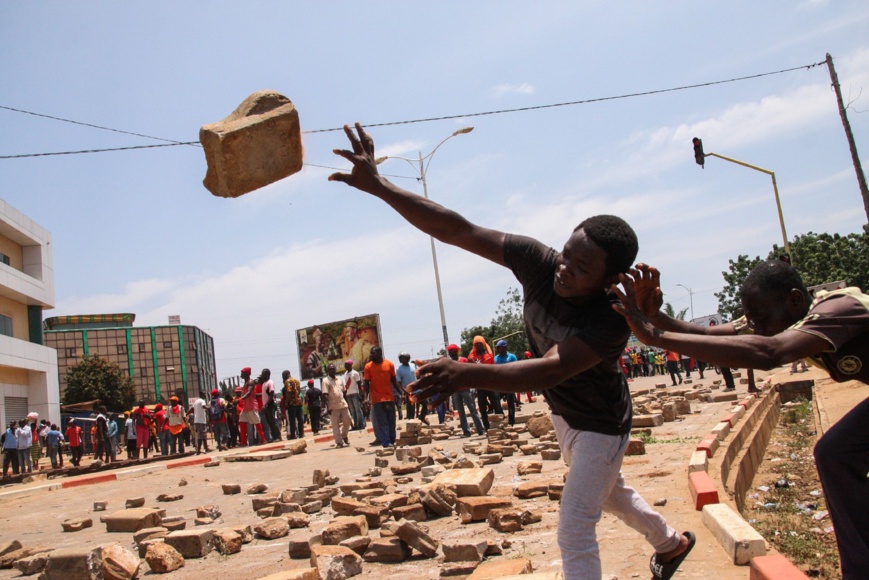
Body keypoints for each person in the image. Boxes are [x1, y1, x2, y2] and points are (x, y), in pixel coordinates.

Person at [330, 123, 692, 579]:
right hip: (566, 417)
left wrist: (464, 372)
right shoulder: (537, 262)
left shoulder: (608, 320)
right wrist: (381, 187)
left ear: (606, 280)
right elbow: (456, 230)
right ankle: (671, 544)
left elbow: (547, 371)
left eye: (580, 269)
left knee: (576, 525)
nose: (564, 270)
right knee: (611, 492)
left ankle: (667, 544)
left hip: (602, 425)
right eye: (565, 254)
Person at [613, 259, 869, 578]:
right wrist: (655, 316)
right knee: (835, 454)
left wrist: (654, 335)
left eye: (761, 321)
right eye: (753, 322)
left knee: (836, 453)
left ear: (795, 300)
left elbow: (769, 353)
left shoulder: (840, 310)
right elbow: (709, 335)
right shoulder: (780, 317)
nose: (757, 330)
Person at [363, 346, 399, 448]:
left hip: (389, 398)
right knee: (382, 422)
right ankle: (386, 443)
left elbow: (394, 381)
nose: (371, 355)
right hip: (377, 399)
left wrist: (401, 392)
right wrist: (366, 397)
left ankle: (392, 440)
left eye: (373, 353)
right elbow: (366, 383)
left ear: (379, 354)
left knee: (391, 421)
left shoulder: (389, 364)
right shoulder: (368, 367)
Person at [446, 344, 485, 437]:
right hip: (455, 390)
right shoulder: (449, 363)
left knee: (472, 410)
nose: (452, 354)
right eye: (450, 352)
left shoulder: (463, 360)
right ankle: (466, 432)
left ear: (456, 351)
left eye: (453, 351)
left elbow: (471, 369)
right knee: (461, 412)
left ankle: (480, 430)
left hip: (466, 389)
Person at [468, 336, 500, 431]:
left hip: (491, 384)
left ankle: (499, 424)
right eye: (476, 344)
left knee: (496, 404)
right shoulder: (472, 358)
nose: (478, 345)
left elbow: (494, 368)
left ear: (483, 344)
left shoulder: (489, 355)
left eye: (480, 343)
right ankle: (487, 427)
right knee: (482, 407)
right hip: (480, 385)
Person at [322, 363, 352, 448]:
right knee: (335, 425)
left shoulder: (339, 379)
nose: (332, 370)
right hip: (333, 406)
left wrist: (348, 403)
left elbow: (344, 392)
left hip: (343, 403)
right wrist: (327, 407)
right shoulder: (325, 381)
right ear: (328, 371)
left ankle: (344, 435)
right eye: (330, 369)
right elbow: (325, 395)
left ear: (335, 370)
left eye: (333, 369)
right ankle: (339, 442)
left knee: (348, 420)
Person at [238, 367, 267, 447]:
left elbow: (249, 393)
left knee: (257, 423)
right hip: (246, 407)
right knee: (241, 421)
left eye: (242, 373)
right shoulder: (246, 383)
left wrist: (240, 399)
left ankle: (263, 439)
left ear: (247, 374)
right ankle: (243, 442)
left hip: (251, 406)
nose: (241, 374)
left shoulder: (250, 382)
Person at [493, 339, 519, 425]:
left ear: (504, 348)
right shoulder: (495, 358)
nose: (497, 349)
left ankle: (511, 421)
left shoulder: (511, 357)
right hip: (498, 385)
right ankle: (502, 417)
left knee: (510, 403)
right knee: (496, 401)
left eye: (499, 347)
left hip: (509, 384)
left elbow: (517, 369)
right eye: (497, 347)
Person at [258, 369, 282, 442]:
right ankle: (274, 437)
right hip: (266, 406)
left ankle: (278, 436)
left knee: (273, 421)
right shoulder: (264, 383)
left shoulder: (270, 382)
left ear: (267, 374)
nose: (262, 375)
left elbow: (271, 394)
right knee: (269, 422)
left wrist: (266, 404)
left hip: (270, 405)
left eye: (263, 374)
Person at [342, 360, 365, 430]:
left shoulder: (355, 373)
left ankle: (361, 424)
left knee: (357, 409)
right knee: (352, 410)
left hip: (355, 392)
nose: (345, 366)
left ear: (350, 365)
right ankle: (355, 425)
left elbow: (358, 383)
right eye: (345, 365)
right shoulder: (345, 374)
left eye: (346, 365)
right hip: (348, 393)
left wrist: (361, 393)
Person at [282, 370, 304, 439]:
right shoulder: (297, 381)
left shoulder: (287, 382)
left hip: (292, 403)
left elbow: (289, 392)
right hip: (299, 402)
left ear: (285, 375)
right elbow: (299, 391)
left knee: (292, 420)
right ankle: (301, 434)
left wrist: (286, 402)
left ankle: (293, 435)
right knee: (300, 419)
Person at [395, 352, 416, 422]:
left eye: (402, 358)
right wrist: (403, 391)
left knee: (425, 404)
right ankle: (411, 422)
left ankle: (421, 417)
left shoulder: (413, 365)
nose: (400, 360)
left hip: (417, 389)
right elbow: (399, 382)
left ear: (407, 358)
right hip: (408, 391)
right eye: (400, 358)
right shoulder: (399, 369)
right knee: (411, 407)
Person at [191, 390, 211, 455]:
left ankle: (204, 448)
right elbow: (203, 406)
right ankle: (199, 450)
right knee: (202, 435)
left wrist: (187, 414)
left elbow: (192, 409)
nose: (205, 395)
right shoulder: (202, 401)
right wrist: (209, 407)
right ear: (202, 394)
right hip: (201, 421)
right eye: (204, 394)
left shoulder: (196, 401)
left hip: (196, 421)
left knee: (201, 435)